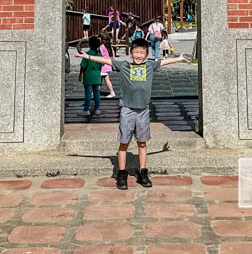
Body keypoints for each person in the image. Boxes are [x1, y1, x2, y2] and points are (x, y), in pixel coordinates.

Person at [75, 38, 189, 189]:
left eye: (142, 52)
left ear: (147, 54)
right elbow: (106, 60)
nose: (139, 55)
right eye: (136, 52)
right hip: (127, 110)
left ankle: (142, 172)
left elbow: (163, 62)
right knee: (124, 143)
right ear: (131, 53)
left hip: (143, 110)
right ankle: (121, 174)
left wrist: (179, 59)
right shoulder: (124, 66)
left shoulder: (150, 65)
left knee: (142, 143)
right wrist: (88, 56)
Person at [79, 35, 103, 116]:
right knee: (97, 93)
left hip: (88, 76)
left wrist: (80, 75)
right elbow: (101, 67)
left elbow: (83, 66)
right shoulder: (99, 55)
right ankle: (97, 109)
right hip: (97, 76)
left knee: (88, 93)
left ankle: (86, 109)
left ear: (89, 44)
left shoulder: (87, 54)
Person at [99, 32, 116, 98]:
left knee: (106, 80)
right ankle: (96, 91)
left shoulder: (101, 47)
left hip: (103, 66)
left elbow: (101, 56)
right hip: (108, 65)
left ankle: (112, 92)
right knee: (100, 79)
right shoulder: (109, 46)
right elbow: (113, 55)